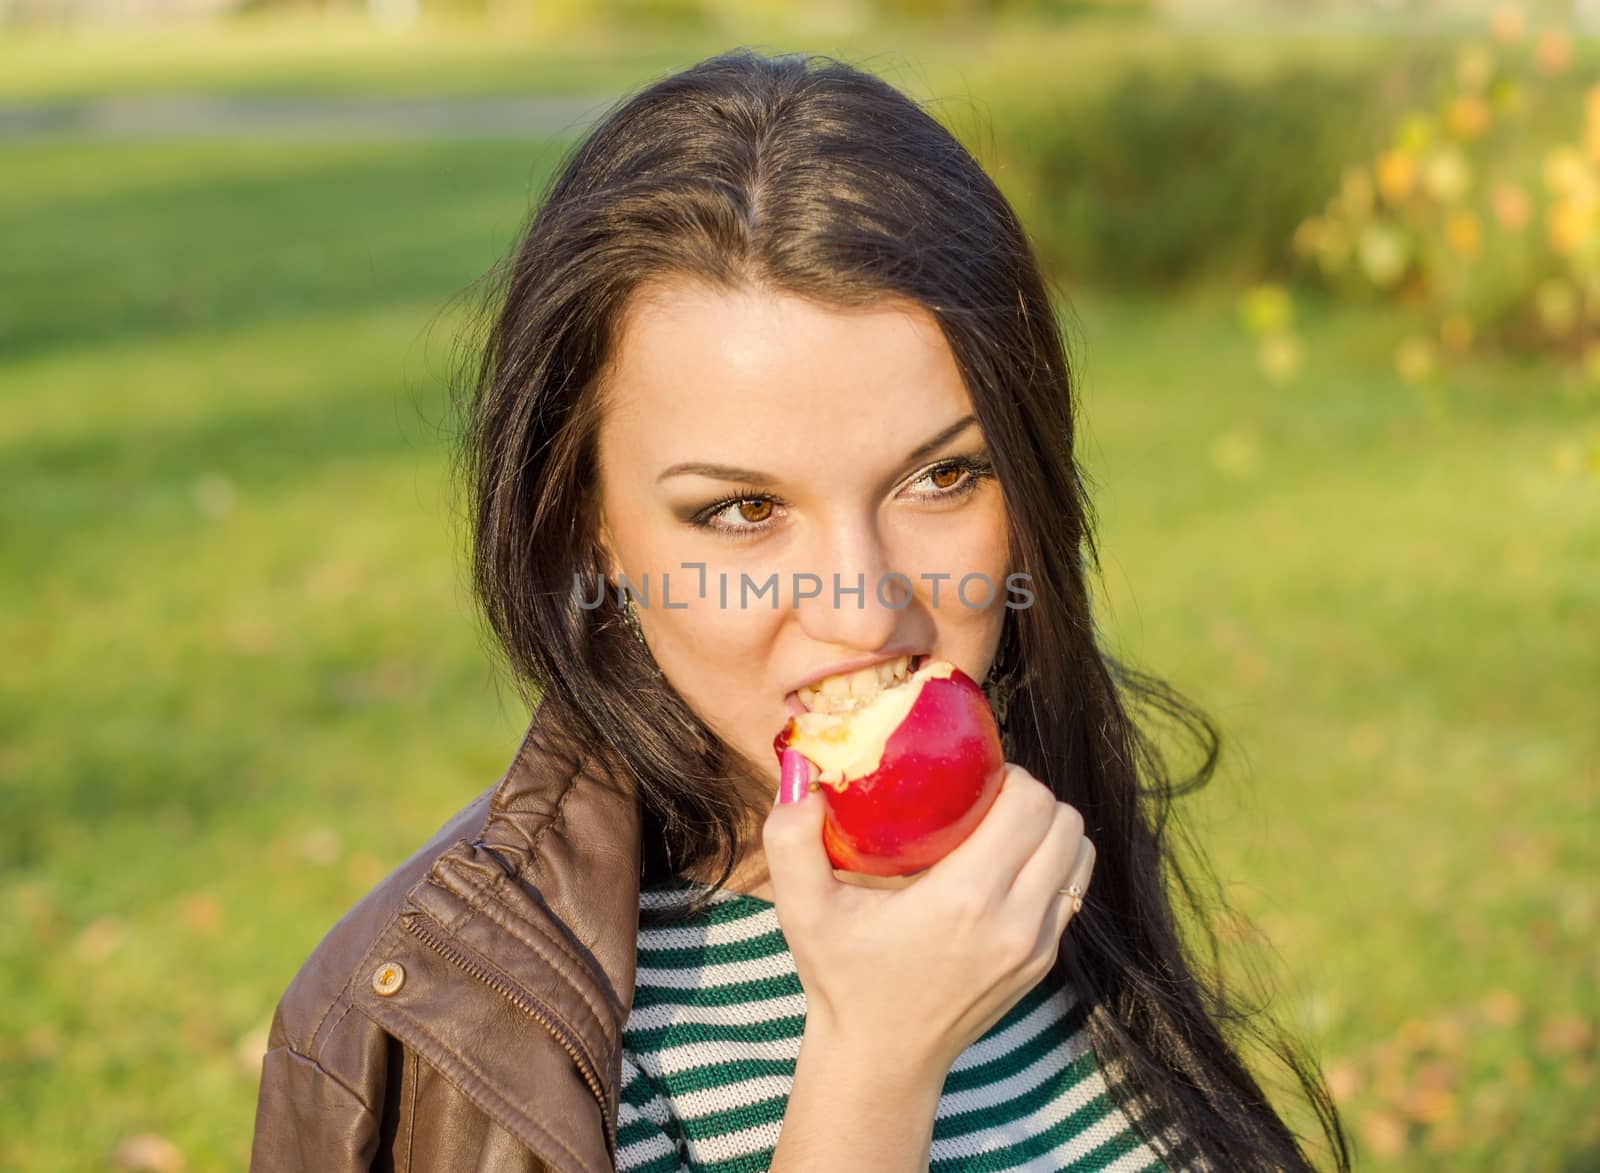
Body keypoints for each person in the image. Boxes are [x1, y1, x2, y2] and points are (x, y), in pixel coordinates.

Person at [249, 48, 1350, 1173]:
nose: (866, 613)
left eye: (941, 478)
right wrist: (875, 1064)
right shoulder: (501, 1029)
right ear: (589, 528)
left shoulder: (1033, 842)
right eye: (740, 509)